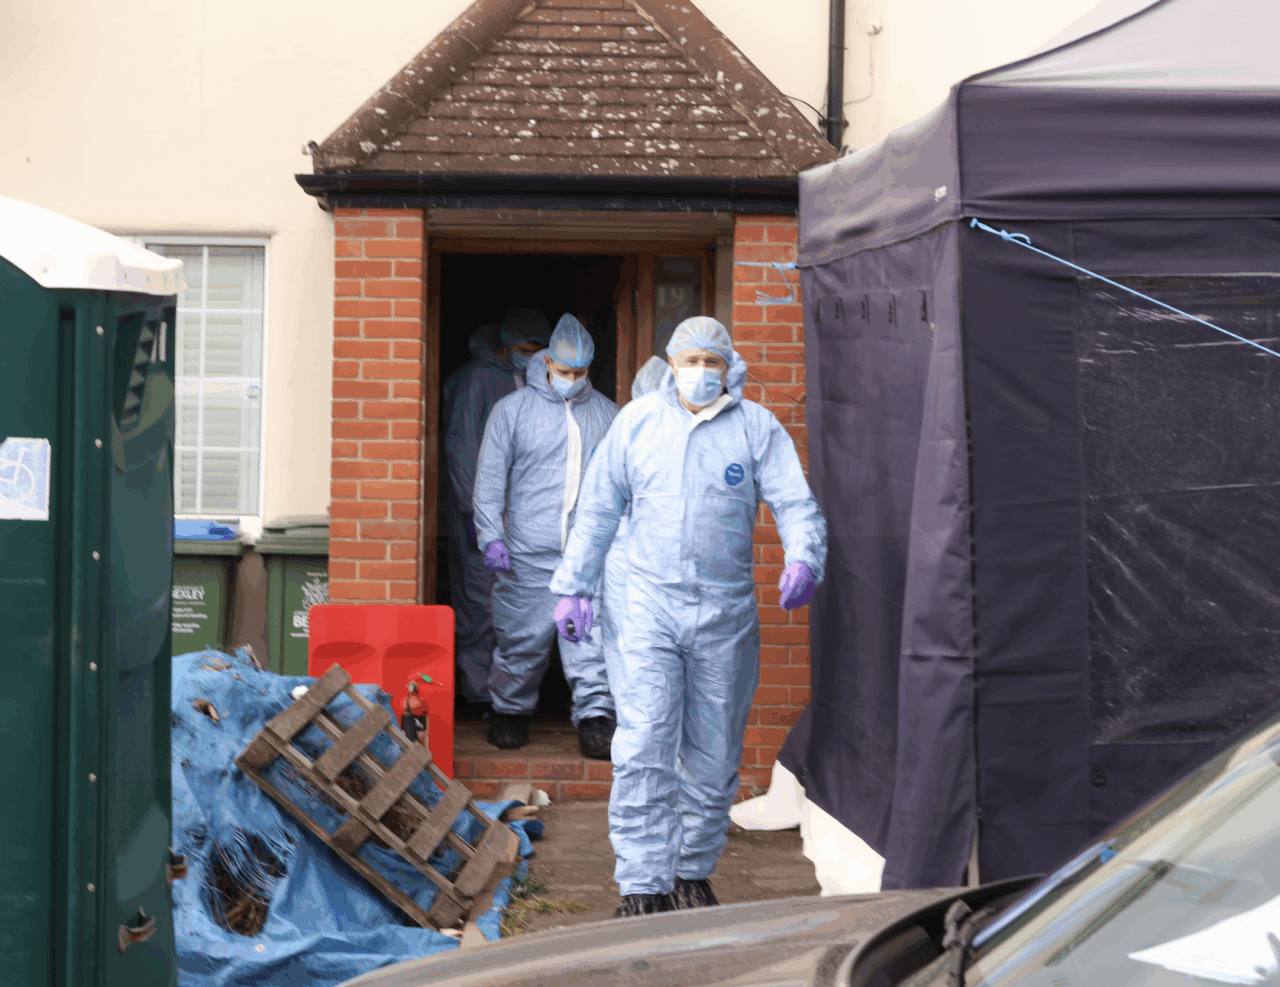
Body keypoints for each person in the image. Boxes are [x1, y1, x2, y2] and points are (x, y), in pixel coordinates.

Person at [549, 316, 827, 918]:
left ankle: (691, 871)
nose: (701, 372)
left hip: (724, 615)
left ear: (731, 368)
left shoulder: (756, 429)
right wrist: (574, 587)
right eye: (690, 361)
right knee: (645, 742)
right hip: (647, 606)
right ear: (670, 364)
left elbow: (794, 501)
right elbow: (597, 510)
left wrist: (803, 556)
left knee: (713, 751)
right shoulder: (637, 424)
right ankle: (642, 884)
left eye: (713, 362)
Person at [473, 313, 619, 757]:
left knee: (589, 640)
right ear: (547, 362)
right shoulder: (512, 412)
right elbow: (489, 479)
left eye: (579, 373)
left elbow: (619, 486)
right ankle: (509, 711)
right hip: (526, 550)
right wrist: (491, 536)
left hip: (586, 553)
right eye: (563, 371)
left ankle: (595, 718)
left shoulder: (608, 414)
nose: (571, 380)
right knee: (522, 638)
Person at [443, 310, 551, 720]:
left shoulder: (528, 383)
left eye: (540, 350)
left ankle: (504, 694)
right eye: (527, 350)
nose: (534, 358)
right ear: (506, 344)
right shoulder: (478, 382)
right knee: (479, 608)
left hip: (521, 519)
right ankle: (479, 697)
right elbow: (464, 450)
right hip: (482, 514)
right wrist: (478, 514)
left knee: (514, 609)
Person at [597, 356, 670, 681]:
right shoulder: (622, 436)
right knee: (624, 650)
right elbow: (597, 508)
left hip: (668, 567)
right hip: (625, 560)